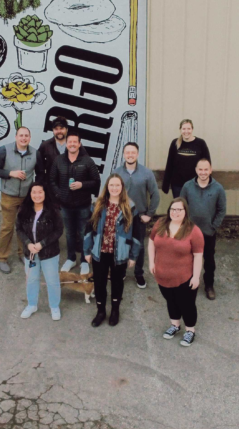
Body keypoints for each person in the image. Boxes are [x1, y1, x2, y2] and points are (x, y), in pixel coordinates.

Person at [84, 174, 140, 327]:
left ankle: (115, 310)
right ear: (107, 187)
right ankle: (100, 311)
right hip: (99, 251)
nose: (114, 188)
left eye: (117, 185)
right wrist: (87, 251)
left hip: (120, 253)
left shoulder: (131, 206)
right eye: (111, 185)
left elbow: (137, 233)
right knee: (100, 283)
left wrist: (133, 256)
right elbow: (89, 228)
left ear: (122, 187)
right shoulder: (97, 204)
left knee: (117, 283)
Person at [148, 198, 204, 347]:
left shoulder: (193, 230)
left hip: (185, 277)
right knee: (171, 301)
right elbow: (151, 242)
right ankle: (175, 325)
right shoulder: (160, 224)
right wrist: (151, 262)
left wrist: (196, 277)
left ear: (185, 212)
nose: (176, 212)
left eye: (179, 209)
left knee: (187, 304)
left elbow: (198, 255)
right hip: (162, 275)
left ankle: (190, 331)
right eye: (173, 209)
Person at [49, 129, 101, 275]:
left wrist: (82, 185)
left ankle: (85, 260)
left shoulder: (87, 161)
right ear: (66, 144)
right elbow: (52, 180)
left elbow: (96, 181)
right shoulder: (59, 160)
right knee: (70, 233)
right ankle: (71, 258)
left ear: (79, 144)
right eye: (69, 142)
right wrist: (59, 194)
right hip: (65, 206)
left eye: (75, 142)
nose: (72, 144)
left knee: (84, 232)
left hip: (83, 205)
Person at [113, 142, 160, 289]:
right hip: (121, 217)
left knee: (138, 246)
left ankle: (138, 273)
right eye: (127, 152)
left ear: (137, 154)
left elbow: (155, 195)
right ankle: (121, 271)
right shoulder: (117, 172)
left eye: (133, 152)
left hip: (139, 217)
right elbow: (110, 193)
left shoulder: (146, 173)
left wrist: (149, 214)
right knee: (121, 244)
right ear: (124, 154)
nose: (130, 155)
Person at [16, 182, 64, 321]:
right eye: (34, 192)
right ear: (30, 194)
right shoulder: (23, 210)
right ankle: (32, 305)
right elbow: (18, 229)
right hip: (30, 253)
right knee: (31, 279)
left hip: (49, 252)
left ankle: (54, 306)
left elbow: (59, 230)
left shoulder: (53, 210)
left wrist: (42, 244)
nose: (37, 195)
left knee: (52, 280)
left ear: (45, 193)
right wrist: (28, 243)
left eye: (40, 192)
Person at [0, 127, 37, 273]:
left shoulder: (35, 153)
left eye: (26, 136)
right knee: (7, 227)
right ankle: (2, 258)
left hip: (26, 197)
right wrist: (11, 173)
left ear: (30, 138)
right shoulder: (4, 150)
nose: (23, 138)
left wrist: (35, 190)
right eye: (21, 135)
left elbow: (40, 172)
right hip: (9, 196)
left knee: (24, 227)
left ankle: (22, 254)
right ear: (16, 136)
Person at [180, 158, 226, 300]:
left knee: (209, 260)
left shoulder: (218, 188)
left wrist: (213, 226)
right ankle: (188, 283)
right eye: (200, 169)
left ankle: (209, 285)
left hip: (208, 232)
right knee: (188, 259)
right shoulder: (187, 187)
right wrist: (184, 226)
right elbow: (181, 206)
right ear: (196, 170)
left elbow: (221, 210)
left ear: (210, 170)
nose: (203, 172)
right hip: (189, 232)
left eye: (206, 169)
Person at [35, 116, 87, 196]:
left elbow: (86, 162)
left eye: (61, 128)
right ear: (53, 130)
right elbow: (39, 168)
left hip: (70, 189)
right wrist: (40, 184)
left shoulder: (75, 144)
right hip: (50, 189)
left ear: (67, 129)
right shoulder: (45, 145)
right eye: (56, 129)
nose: (59, 131)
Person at [162, 119, 210, 198]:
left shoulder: (200, 143)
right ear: (180, 130)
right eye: (184, 129)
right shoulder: (175, 143)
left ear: (192, 129)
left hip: (195, 184)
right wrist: (165, 185)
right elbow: (169, 164)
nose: (186, 131)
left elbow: (207, 164)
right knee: (180, 207)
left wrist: (208, 183)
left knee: (193, 208)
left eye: (188, 128)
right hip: (177, 184)